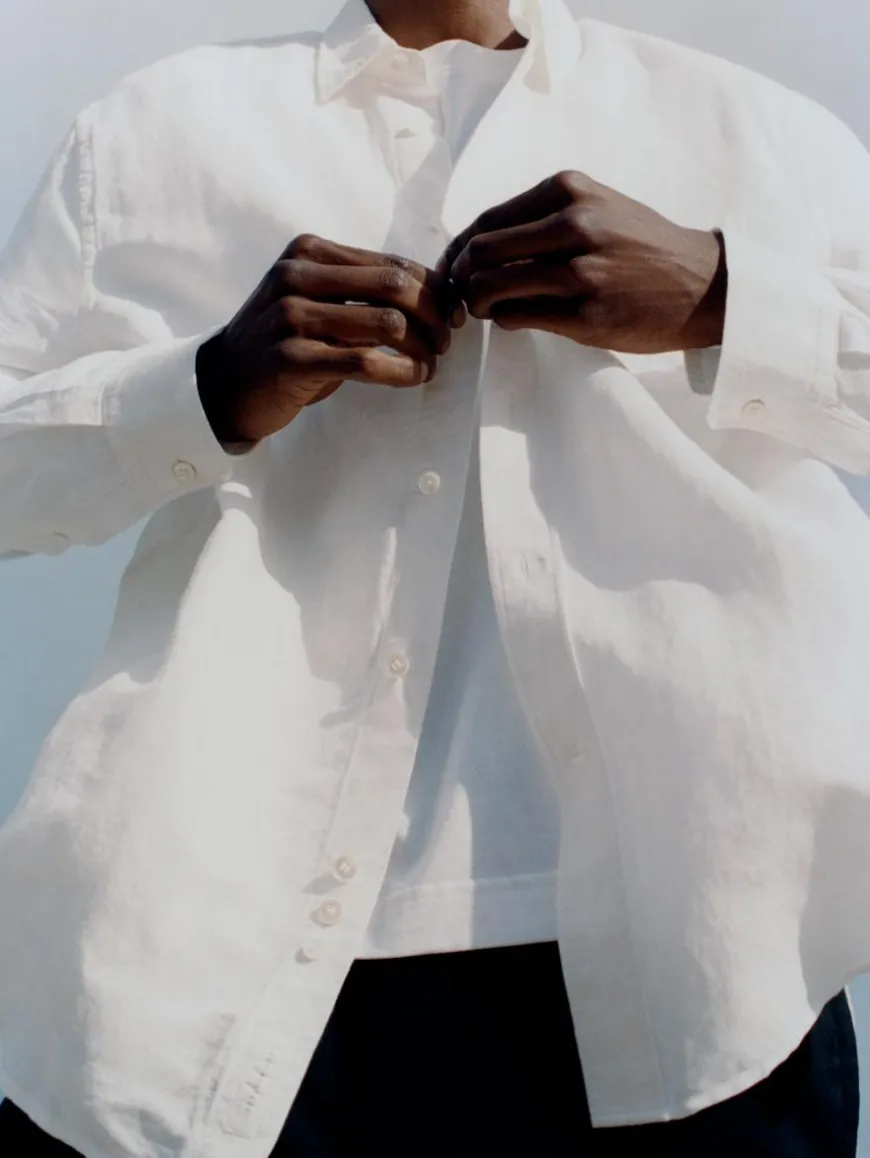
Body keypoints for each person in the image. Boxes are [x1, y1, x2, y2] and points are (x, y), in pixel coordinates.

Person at [0, 0, 867, 1153]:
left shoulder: (753, 131)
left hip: (700, 956)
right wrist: (205, 386)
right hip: (207, 954)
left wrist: (722, 295)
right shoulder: (152, 135)